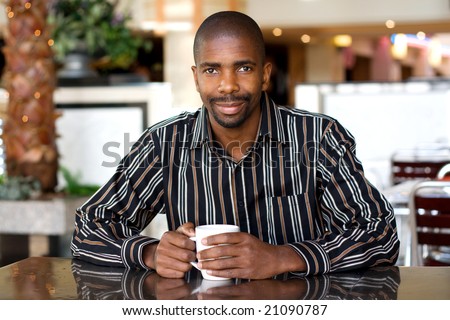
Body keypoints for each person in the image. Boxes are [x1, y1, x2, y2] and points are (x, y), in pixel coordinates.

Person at [71, 11, 399, 279]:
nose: (228, 85)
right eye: (212, 70)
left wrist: (283, 257)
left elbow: (380, 233)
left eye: (243, 68)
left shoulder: (318, 137)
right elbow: (89, 228)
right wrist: (150, 252)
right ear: (197, 77)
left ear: (265, 75)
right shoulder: (164, 144)